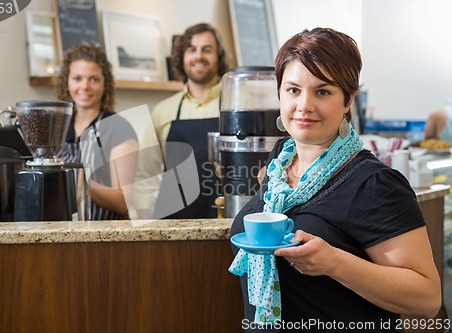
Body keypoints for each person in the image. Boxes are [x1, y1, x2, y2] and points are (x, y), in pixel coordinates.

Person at [229, 28, 441, 332]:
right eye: (293, 90)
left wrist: (334, 263)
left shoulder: (375, 183)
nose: (304, 105)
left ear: (347, 101)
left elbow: (427, 299)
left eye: (323, 91)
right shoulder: (280, 161)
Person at [133, 23, 230, 219]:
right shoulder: (163, 111)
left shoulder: (238, 104)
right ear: (182, 58)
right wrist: (146, 227)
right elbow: (145, 175)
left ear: (218, 57)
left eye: (207, 49)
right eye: (191, 49)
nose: (199, 56)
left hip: (227, 220)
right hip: (173, 222)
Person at [56, 44, 138, 220]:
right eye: (77, 78)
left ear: (105, 83)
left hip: (106, 236)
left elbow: (123, 201)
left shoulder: (118, 128)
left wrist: (80, 182)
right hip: (64, 232)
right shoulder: (57, 127)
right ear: (66, 81)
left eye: (93, 79)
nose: (84, 86)